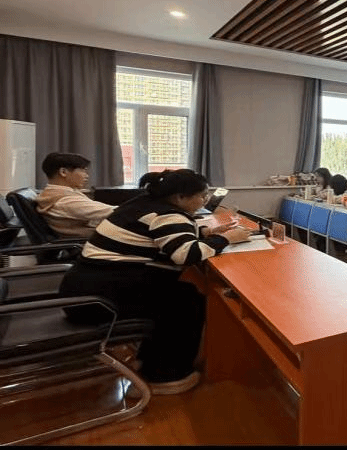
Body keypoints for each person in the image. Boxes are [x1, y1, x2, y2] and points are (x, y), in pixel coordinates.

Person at [58, 169, 251, 395]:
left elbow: (160, 234)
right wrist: (226, 238)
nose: (205, 200)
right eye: (202, 195)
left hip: (85, 289)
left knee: (183, 292)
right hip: (99, 301)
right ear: (180, 197)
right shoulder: (167, 215)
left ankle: (149, 361)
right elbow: (186, 255)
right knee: (187, 302)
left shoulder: (144, 203)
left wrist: (207, 232)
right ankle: (166, 376)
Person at [35, 152, 115, 238]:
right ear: (63, 172)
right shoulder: (65, 200)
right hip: (97, 240)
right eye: (83, 170)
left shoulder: (51, 194)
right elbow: (114, 212)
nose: (87, 176)